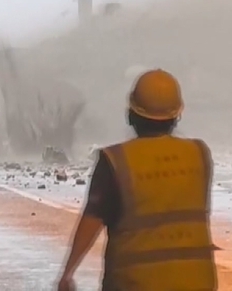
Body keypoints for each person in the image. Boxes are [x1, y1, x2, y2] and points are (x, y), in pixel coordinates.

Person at [57, 69, 217, 291]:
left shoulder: (115, 160)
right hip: (198, 284)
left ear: (131, 115)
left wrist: (68, 273)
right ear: (176, 116)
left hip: (133, 283)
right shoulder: (200, 155)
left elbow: (91, 220)